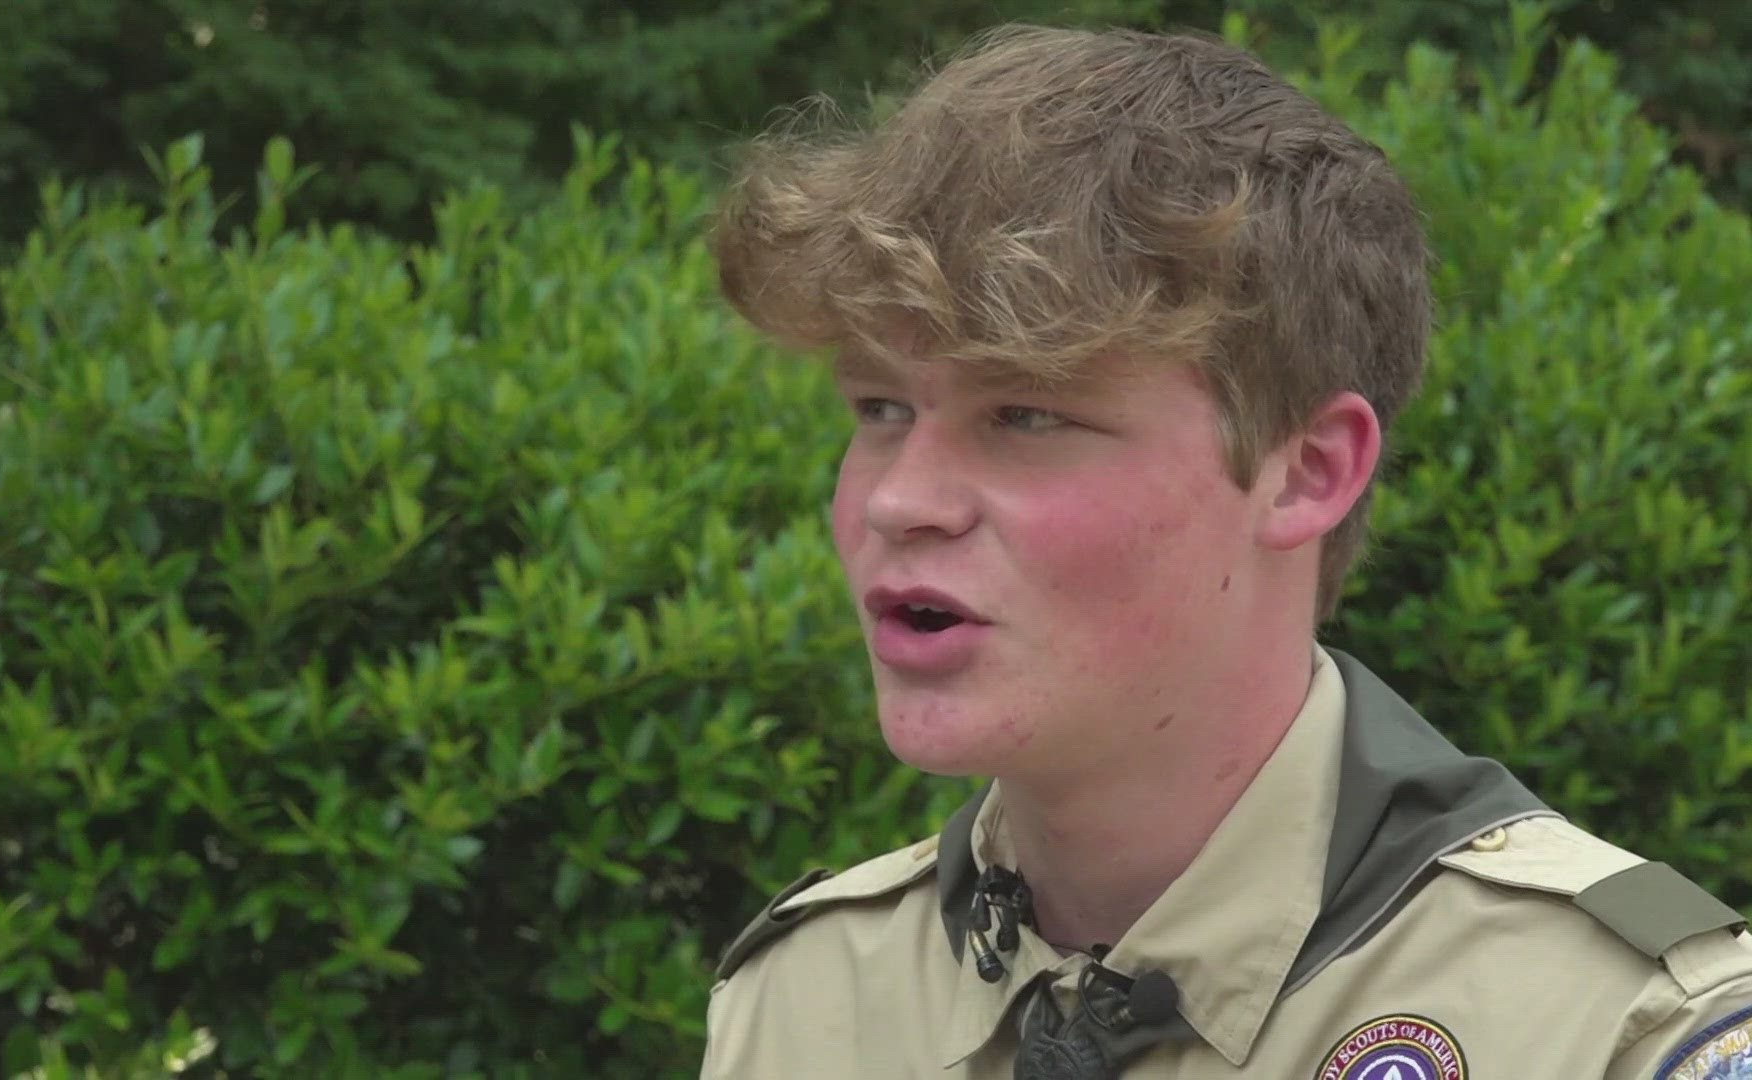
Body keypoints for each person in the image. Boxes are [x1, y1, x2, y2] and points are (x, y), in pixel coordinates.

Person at [698, 23, 1752, 1080]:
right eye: (879, 407)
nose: (898, 498)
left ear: (1307, 470)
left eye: (1023, 416)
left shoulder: (1614, 1026)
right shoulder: (803, 1002)